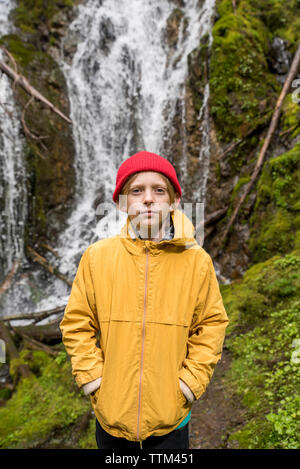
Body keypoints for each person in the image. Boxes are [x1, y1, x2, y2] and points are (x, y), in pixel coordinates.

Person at [60, 151, 229, 449]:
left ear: (175, 200)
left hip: (171, 419)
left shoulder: (197, 262)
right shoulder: (97, 258)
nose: (148, 199)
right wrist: (94, 379)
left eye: (159, 190)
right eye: (137, 190)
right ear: (121, 203)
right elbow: (76, 323)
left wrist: (190, 383)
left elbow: (212, 325)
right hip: (111, 418)